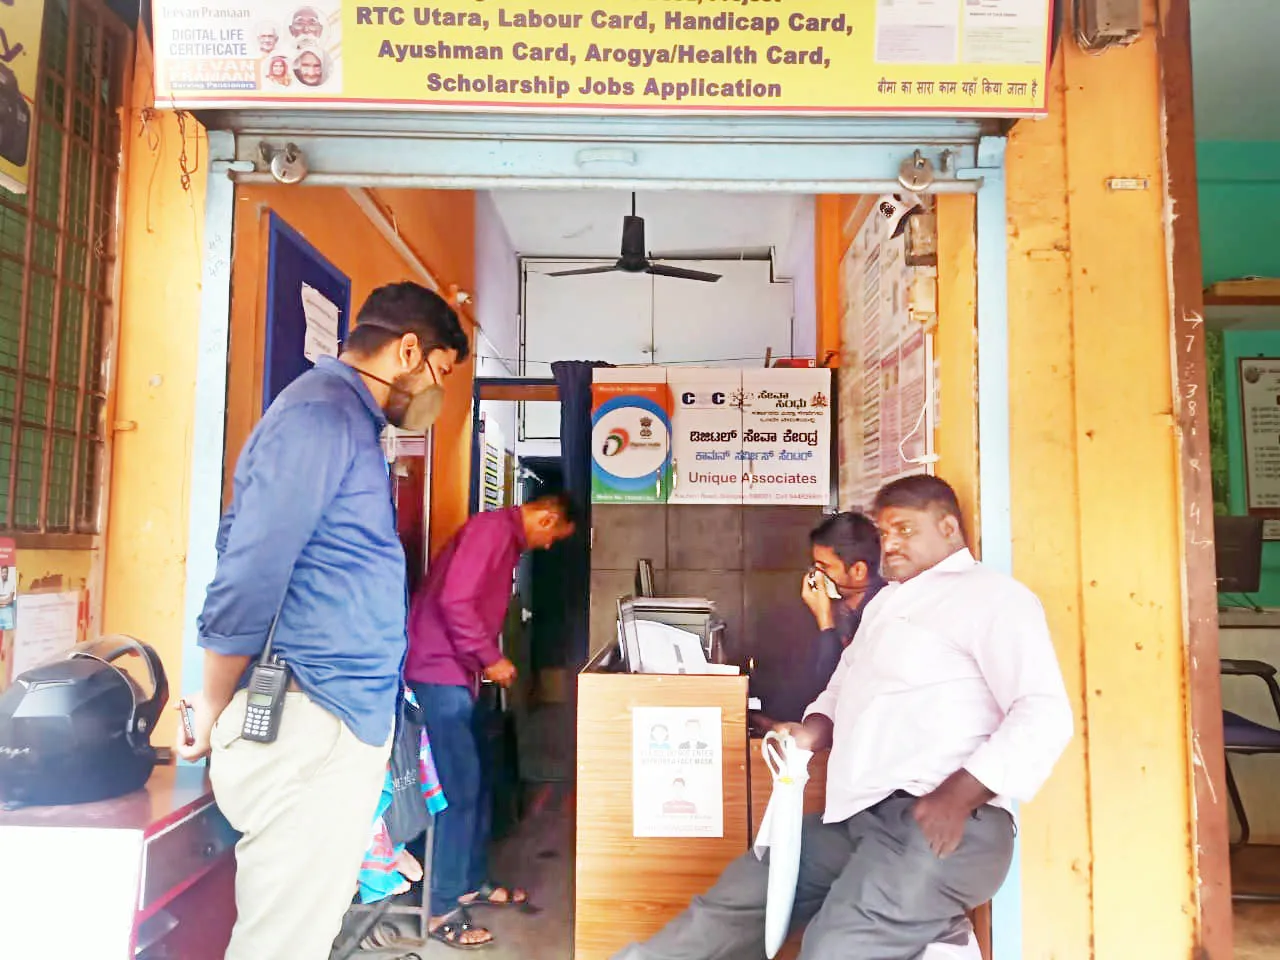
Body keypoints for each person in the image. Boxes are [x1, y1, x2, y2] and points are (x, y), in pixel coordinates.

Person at [611, 475, 1074, 960]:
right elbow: (842, 684)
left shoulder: (992, 598)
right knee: (743, 895)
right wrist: (812, 730)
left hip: (944, 828)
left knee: (834, 948)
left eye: (904, 529)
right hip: (860, 819)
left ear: (947, 527)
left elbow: (1043, 712)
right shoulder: (887, 603)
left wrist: (957, 797)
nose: (889, 544)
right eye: (883, 532)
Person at [175, 282, 469, 960]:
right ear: (407, 351)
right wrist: (211, 700)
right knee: (283, 943)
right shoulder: (319, 417)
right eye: (440, 372)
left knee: (303, 934)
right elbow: (251, 567)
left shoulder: (349, 425)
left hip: (332, 718)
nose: (437, 393)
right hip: (308, 718)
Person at [405, 493, 577, 949]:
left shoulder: (504, 540)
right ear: (547, 517)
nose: (547, 546)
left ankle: (468, 882)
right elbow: (455, 601)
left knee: (478, 784)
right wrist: (490, 657)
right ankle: (442, 909)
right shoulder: (491, 532)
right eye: (553, 537)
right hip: (438, 673)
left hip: (457, 675)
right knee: (457, 792)